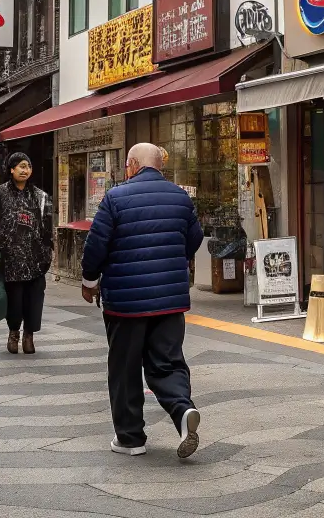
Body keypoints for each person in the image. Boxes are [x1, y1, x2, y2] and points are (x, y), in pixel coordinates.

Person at [81, 143, 204, 459]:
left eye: (126, 165)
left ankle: (131, 438)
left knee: (124, 367)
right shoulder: (181, 197)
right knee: (167, 361)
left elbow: (96, 244)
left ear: (133, 164)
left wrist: (89, 280)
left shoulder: (115, 197)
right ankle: (182, 411)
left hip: (126, 303)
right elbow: (194, 239)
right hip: (171, 301)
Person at [0, 152, 53, 355]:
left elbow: (48, 227)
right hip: (10, 259)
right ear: (11, 169)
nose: (25, 170)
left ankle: (29, 335)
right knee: (14, 300)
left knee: (34, 300)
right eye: (20, 166)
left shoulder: (40, 195)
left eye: (28, 166)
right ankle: (13, 333)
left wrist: (48, 253)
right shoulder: (0, 193)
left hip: (36, 259)